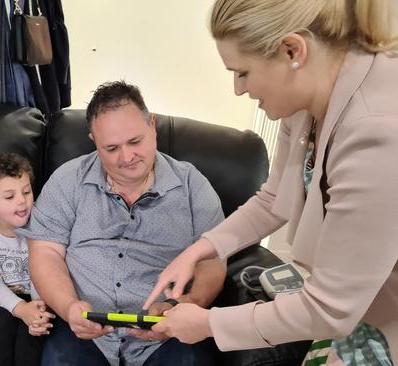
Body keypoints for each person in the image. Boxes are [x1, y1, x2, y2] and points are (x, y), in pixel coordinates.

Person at [144, 0, 398, 364]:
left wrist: (210, 323)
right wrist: (200, 249)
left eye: (242, 72)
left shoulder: (378, 134)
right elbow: (273, 197)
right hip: (356, 314)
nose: (237, 89)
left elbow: (329, 309)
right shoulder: (306, 101)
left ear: (292, 51)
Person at [18, 81, 227, 366]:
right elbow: (45, 252)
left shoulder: (193, 185)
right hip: (84, 334)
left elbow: (212, 261)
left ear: (152, 126)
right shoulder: (68, 180)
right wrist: (68, 308)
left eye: (135, 142)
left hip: (169, 334)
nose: (127, 157)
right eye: (112, 148)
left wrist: (186, 305)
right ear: (93, 140)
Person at [0, 152, 55, 366]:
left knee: (32, 341)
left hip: (41, 296)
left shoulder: (44, 222)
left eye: (26, 192)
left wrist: (36, 308)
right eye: (9, 197)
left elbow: (47, 268)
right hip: (1, 299)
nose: (22, 202)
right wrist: (20, 309)